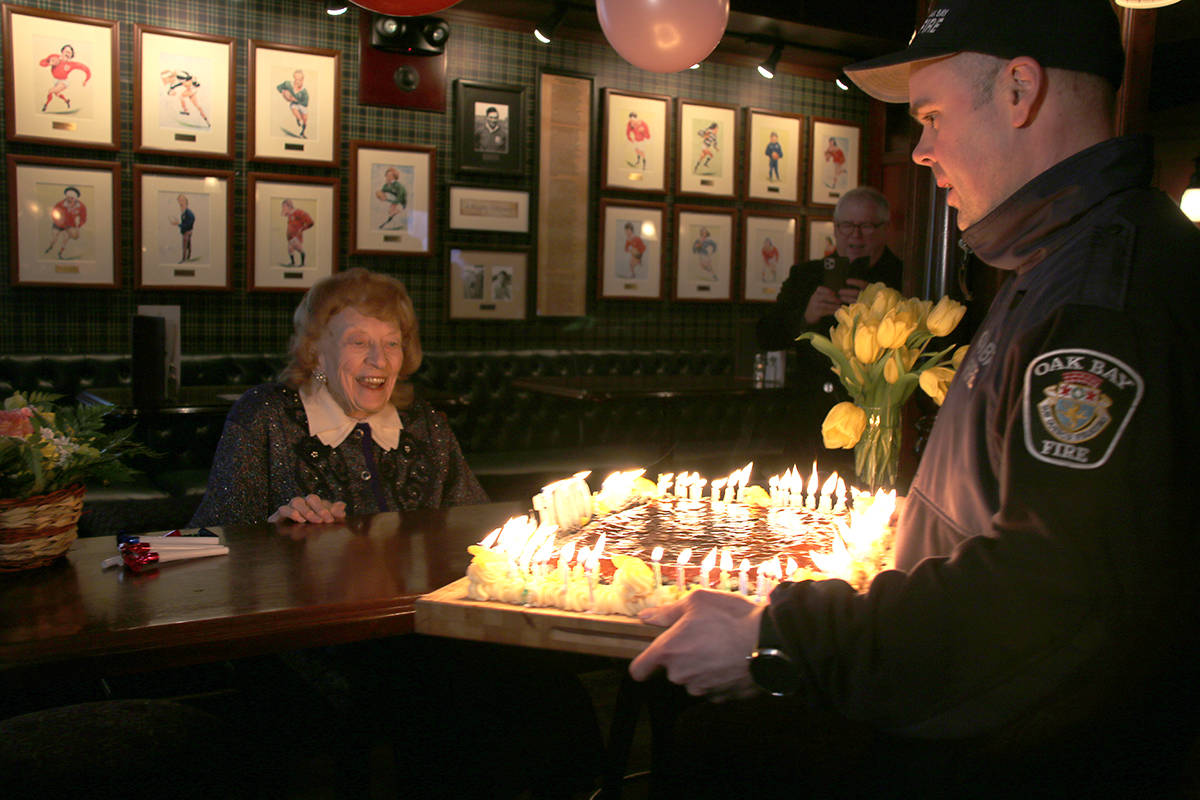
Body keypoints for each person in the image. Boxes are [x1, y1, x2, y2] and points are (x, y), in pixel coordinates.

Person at [629, 1, 1200, 796]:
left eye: (931, 116)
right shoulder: (1055, 259)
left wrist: (782, 637)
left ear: (1019, 90)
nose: (922, 150)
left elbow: (1056, 587)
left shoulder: (1101, 297)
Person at [189, 268, 487, 527]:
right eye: (358, 342)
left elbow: (476, 527)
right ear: (317, 353)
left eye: (391, 343)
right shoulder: (265, 418)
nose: (379, 361)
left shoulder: (427, 426)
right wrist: (273, 533)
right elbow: (216, 538)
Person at [39, 44, 89, 112]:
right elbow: (41, 63)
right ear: (62, 52)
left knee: (50, 91)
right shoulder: (54, 57)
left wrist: (86, 80)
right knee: (56, 94)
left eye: (70, 53)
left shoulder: (72, 64)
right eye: (66, 51)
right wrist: (48, 64)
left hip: (64, 82)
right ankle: (66, 101)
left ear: (71, 56)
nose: (68, 53)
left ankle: (45, 105)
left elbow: (86, 69)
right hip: (56, 80)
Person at [44, 186, 87, 260]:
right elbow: (54, 215)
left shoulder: (81, 206)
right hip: (58, 224)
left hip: (69, 225)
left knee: (65, 239)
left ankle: (60, 253)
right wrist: (61, 223)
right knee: (54, 238)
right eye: (68, 198)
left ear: (76, 198)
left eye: (72, 198)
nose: (70, 200)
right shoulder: (60, 204)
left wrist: (78, 226)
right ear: (66, 197)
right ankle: (50, 248)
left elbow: (83, 217)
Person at [279, 198, 313, 267]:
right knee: (290, 250)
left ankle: (302, 263)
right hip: (290, 237)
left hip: (296, 237)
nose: (283, 208)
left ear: (289, 206)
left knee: (299, 249)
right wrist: (283, 211)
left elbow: (310, 222)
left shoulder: (298, 212)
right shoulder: (290, 214)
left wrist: (302, 229)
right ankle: (293, 263)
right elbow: (282, 214)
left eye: (284, 206)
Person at [277, 69, 308, 137]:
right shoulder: (288, 84)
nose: (297, 81)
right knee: (295, 110)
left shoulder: (304, 91)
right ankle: (299, 119)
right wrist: (284, 92)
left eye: (299, 80)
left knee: (305, 121)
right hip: (294, 105)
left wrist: (295, 100)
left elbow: (305, 103)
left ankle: (302, 133)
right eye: (296, 79)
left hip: (302, 105)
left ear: (302, 80)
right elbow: (278, 87)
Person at [168, 193, 195, 264]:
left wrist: (178, 224)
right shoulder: (184, 213)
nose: (180, 204)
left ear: (185, 202)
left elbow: (188, 224)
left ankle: (184, 259)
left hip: (187, 232)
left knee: (185, 245)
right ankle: (187, 257)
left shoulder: (189, 213)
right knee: (187, 245)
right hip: (186, 231)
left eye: (180, 202)